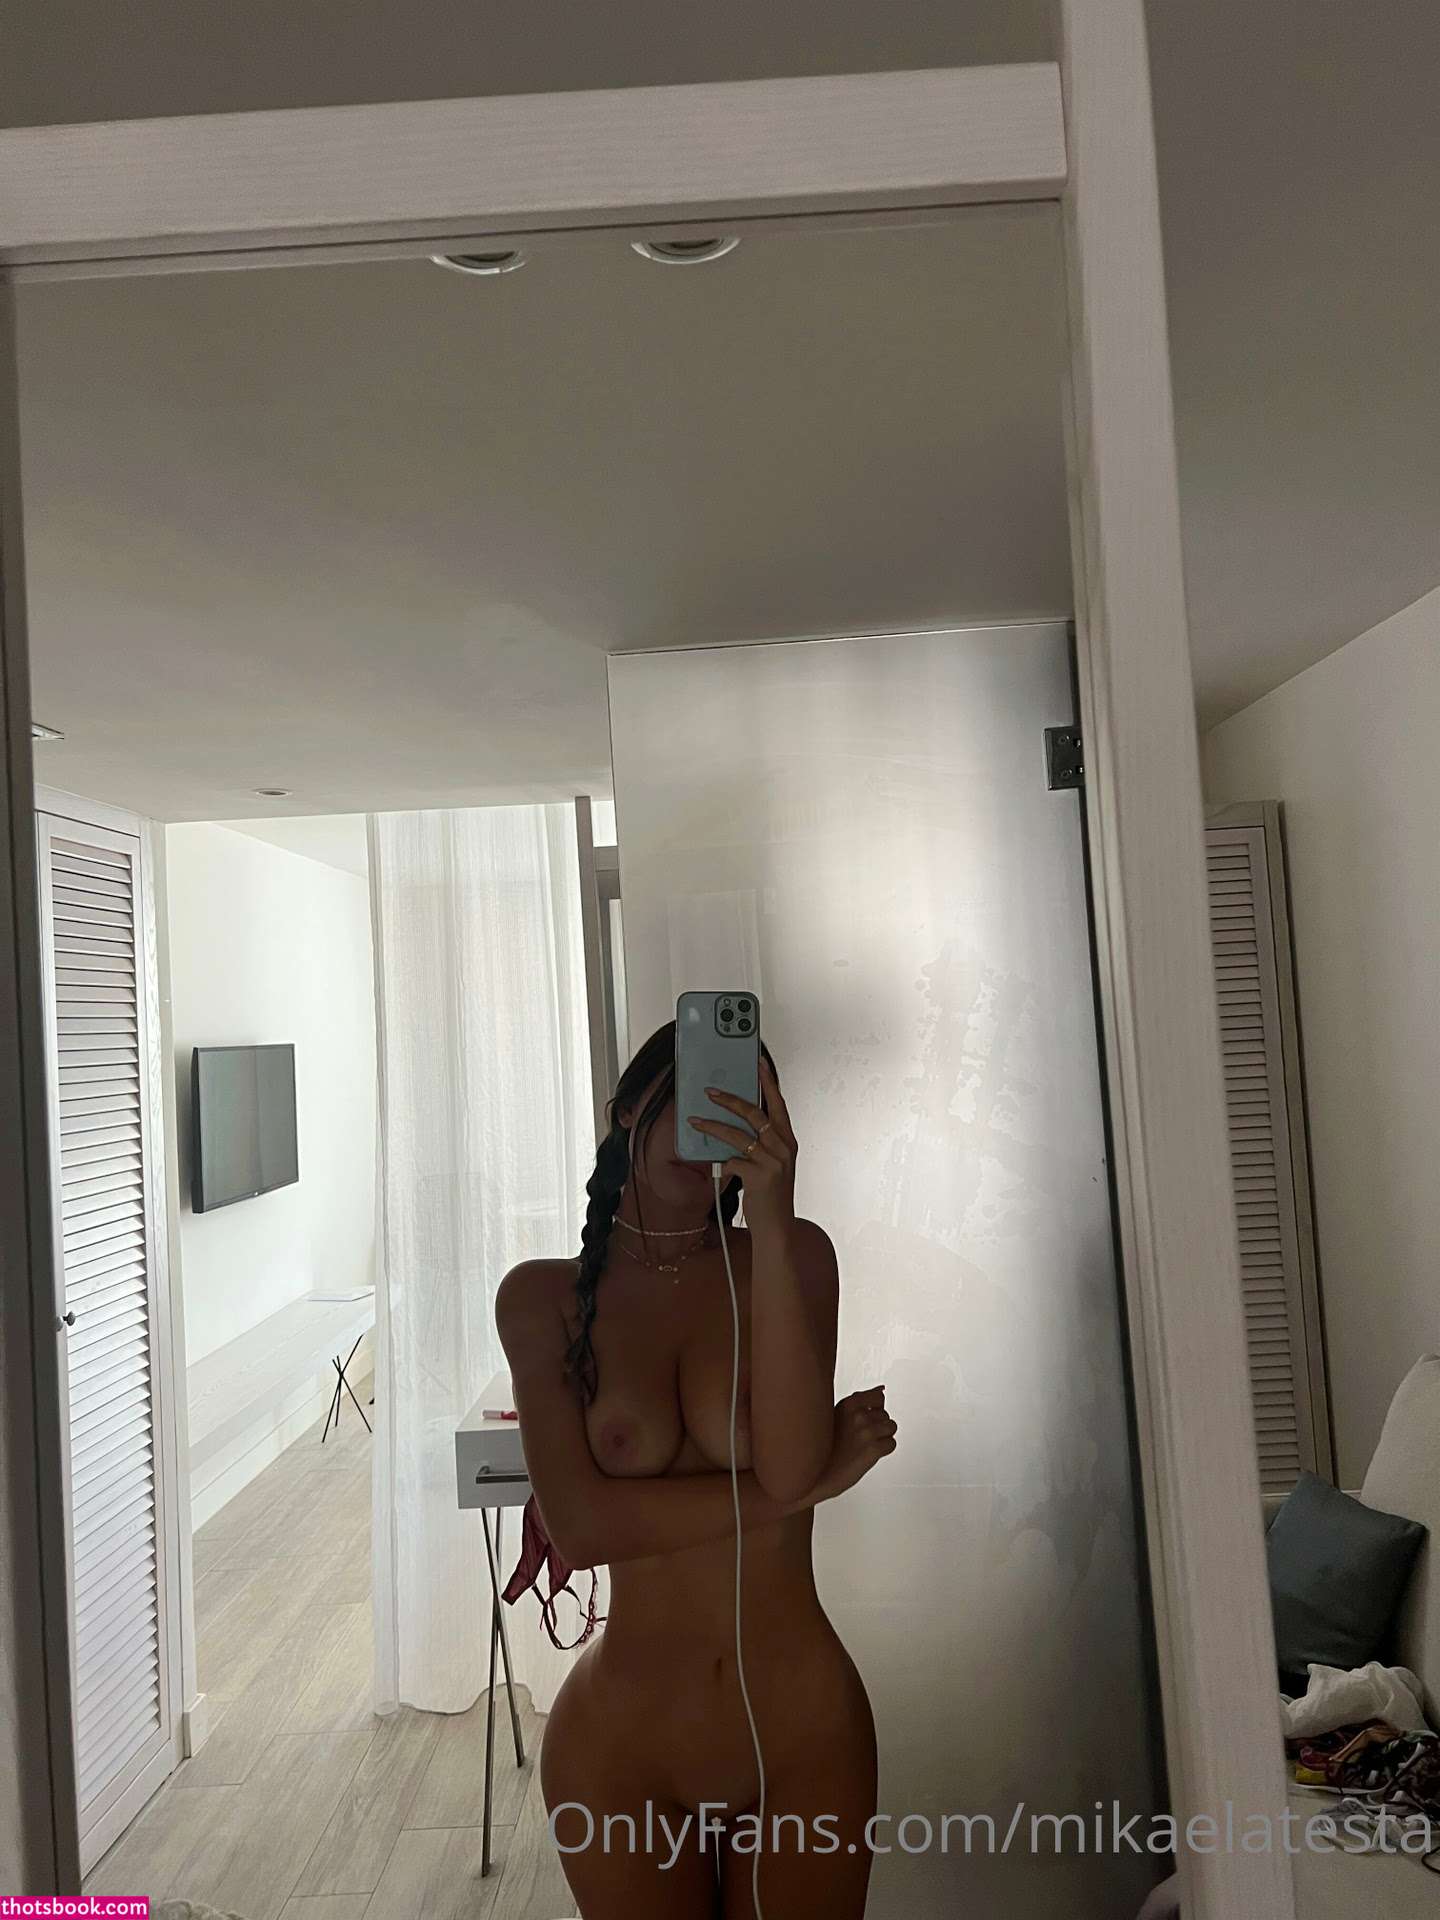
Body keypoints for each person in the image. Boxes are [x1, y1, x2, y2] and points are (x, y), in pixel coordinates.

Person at [496, 1020, 897, 1918]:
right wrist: (811, 1487)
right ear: (625, 1110)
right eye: (683, 1094)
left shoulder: (795, 1257)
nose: (702, 1121)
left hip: (803, 1736)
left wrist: (774, 1218)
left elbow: (787, 1463)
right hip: (621, 1749)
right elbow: (583, 1531)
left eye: (736, 1102)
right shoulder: (541, 1297)